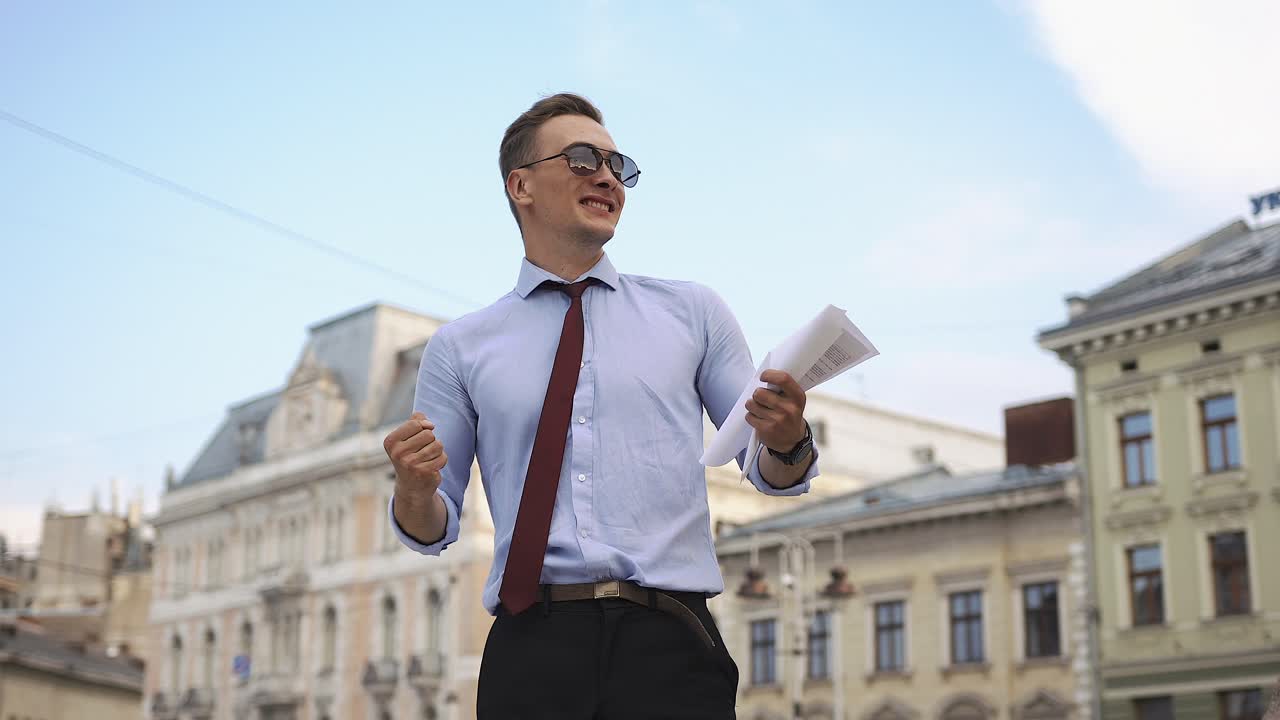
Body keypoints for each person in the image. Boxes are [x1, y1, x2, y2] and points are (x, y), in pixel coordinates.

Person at [383, 92, 819, 720]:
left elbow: (766, 466)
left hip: (671, 641)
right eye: (584, 159)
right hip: (532, 645)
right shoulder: (459, 348)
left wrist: (787, 437)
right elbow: (432, 526)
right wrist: (414, 488)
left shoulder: (693, 313)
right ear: (521, 185)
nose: (608, 177)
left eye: (620, 166)